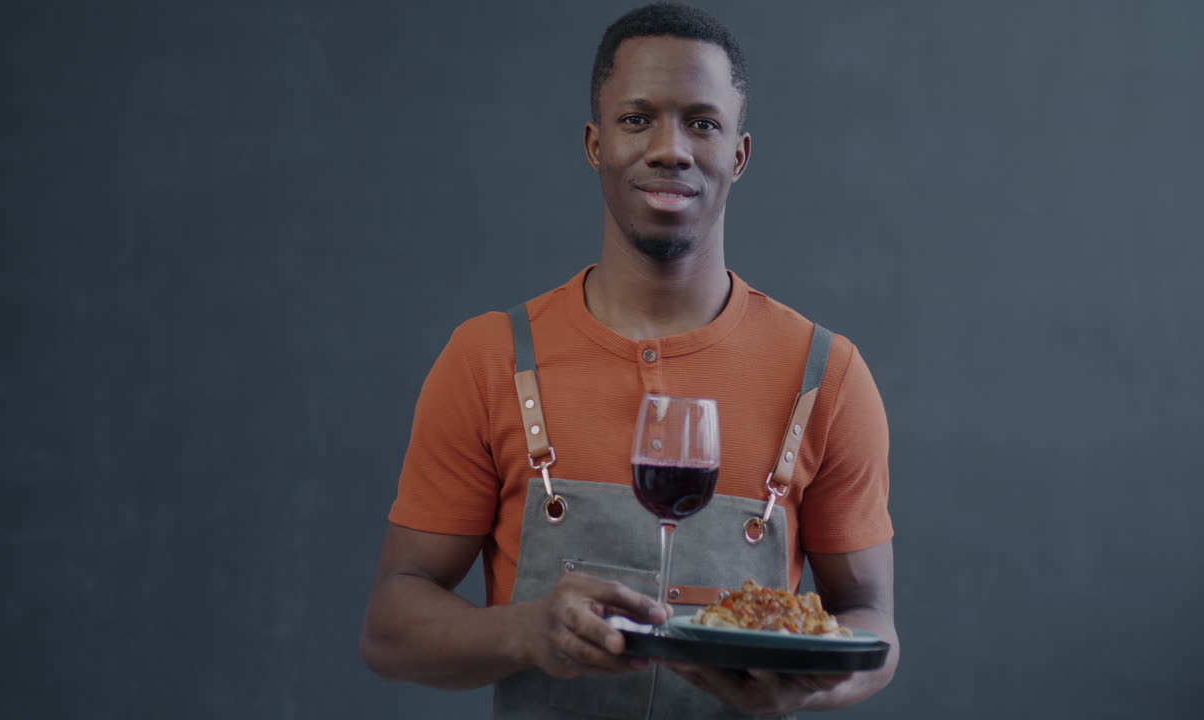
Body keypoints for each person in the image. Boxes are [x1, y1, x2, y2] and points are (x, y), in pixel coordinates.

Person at [360, 4, 899, 717]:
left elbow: (873, 626)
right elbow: (391, 626)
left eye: (702, 122)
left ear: (738, 153)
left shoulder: (825, 376)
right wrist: (524, 629)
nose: (670, 148)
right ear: (595, 143)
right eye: (637, 118)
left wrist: (805, 686)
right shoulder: (489, 359)